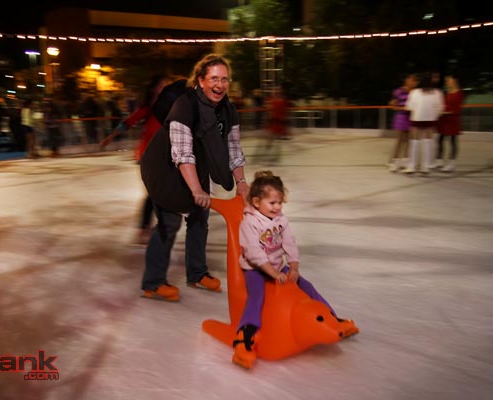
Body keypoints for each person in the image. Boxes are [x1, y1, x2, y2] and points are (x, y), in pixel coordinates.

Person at [139, 54, 249, 302]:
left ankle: (197, 273)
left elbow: (233, 148)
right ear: (200, 80)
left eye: (224, 79)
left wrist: (241, 183)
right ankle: (153, 283)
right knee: (169, 222)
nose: (220, 85)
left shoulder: (228, 111)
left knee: (200, 217)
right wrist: (197, 190)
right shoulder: (185, 105)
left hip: (195, 165)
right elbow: (182, 153)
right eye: (214, 79)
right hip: (163, 166)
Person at [233, 171, 358, 369]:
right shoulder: (249, 223)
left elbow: (289, 243)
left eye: (279, 203)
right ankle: (245, 338)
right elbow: (254, 253)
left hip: (277, 265)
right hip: (255, 269)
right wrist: (273, 273)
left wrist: (293, 267)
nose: (277, 207)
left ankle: (332, 319)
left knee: (307, 286)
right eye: (272, 203)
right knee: (257, 296)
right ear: (256, 202)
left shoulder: (281, 219)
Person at [100, 74, 172, 244]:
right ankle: (145, 227)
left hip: (164, 155)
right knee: (154, 193)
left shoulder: (170, 107)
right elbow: (128, 122)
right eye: (162, 86)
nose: (165, 89)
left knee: (164, 192)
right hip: (147, 155)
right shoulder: (148, 108)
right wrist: (110, 137)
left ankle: (155, 225)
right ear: (154, 89)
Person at [403, 72, 444, 174]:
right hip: (430, 120)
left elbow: (409, 107)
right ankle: (426, 166)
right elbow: (440, 108)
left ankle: (412, 166)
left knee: (415, 142)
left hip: (417, 118)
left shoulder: (414, 92)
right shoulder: (437, 93)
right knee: (428, 142)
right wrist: (434, 114)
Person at [388, 73, 417, 172]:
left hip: (411, 118)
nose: (412, 83)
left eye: (414, 81)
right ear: (406, 81)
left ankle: (405, 162)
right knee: (399, 141)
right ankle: (394, 163)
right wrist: (401, 108)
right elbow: (393, 105)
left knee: (408, 141)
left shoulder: (415, 93)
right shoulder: (399, 91)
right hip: (401, 117)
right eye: (410, 80)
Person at [434, 75, 463, 172]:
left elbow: (456, 109)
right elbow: (445, 105)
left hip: (453, 120)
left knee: (452, 142)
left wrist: (444, 112)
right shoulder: (447, 93)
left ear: (454, 81)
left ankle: (452, 163)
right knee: (440, 140)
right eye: (446, 81)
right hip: (444, 120)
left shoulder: (459, 93)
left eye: (449, 81)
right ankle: (439, 161)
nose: (447, 83)